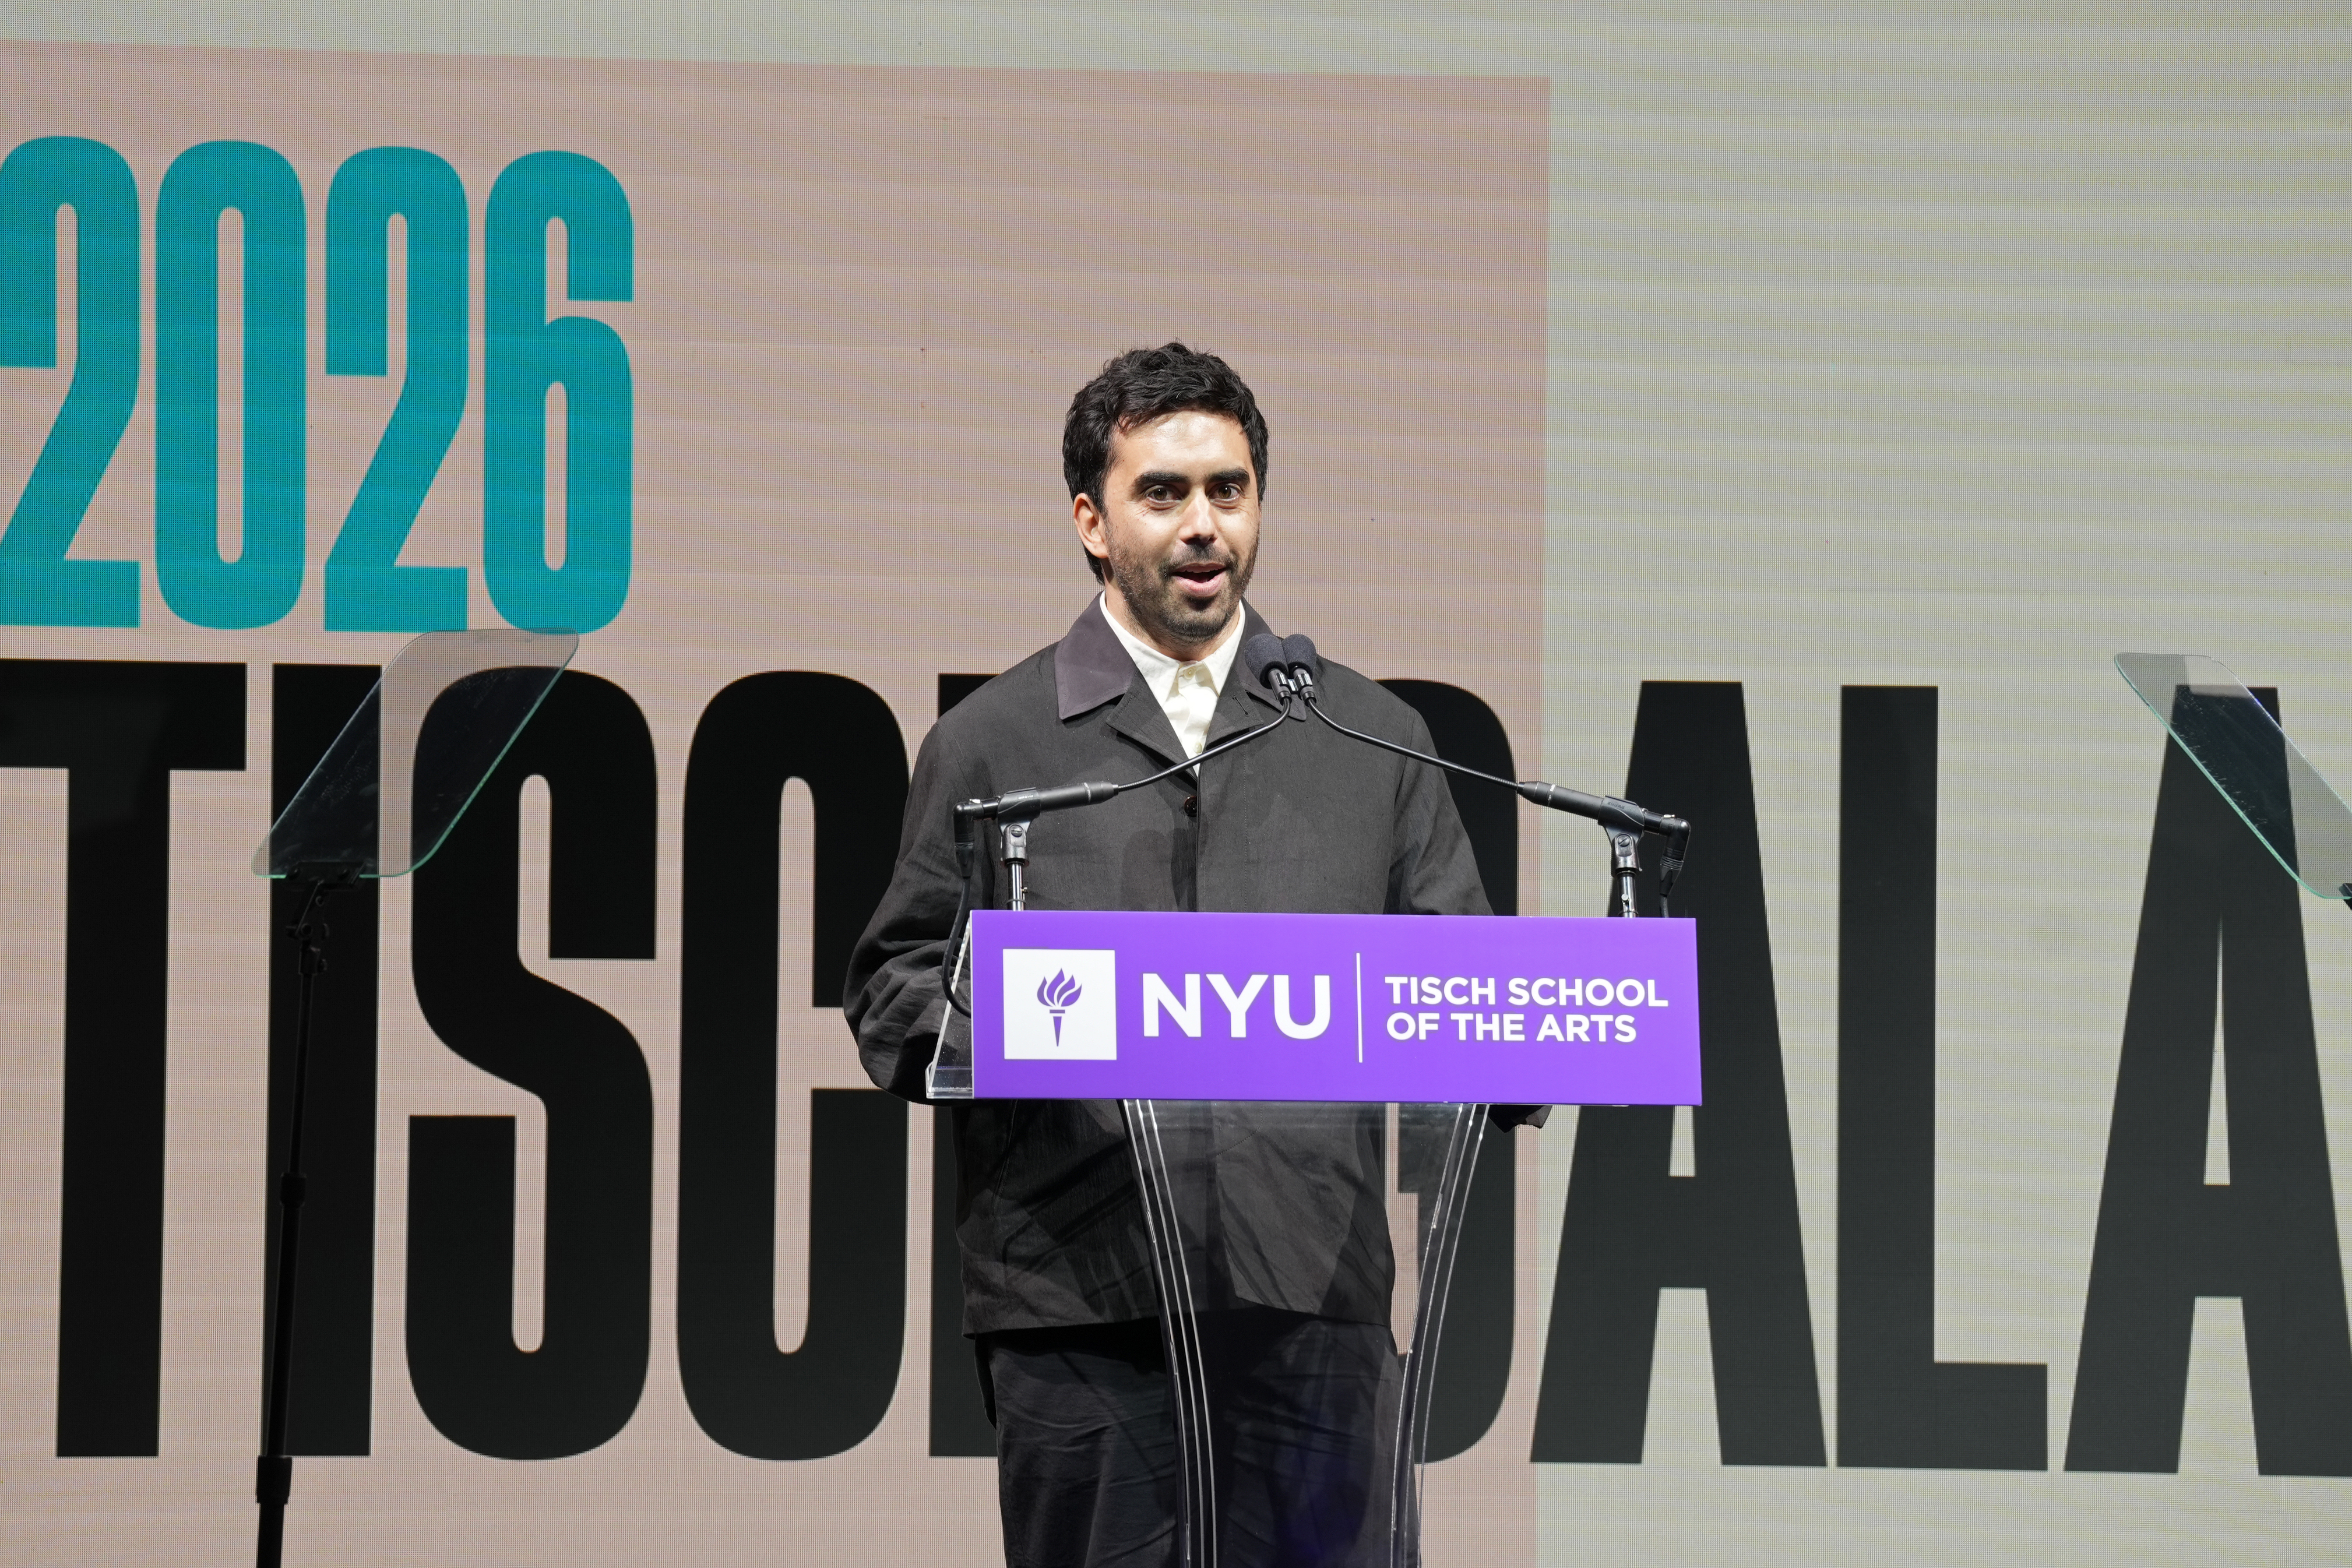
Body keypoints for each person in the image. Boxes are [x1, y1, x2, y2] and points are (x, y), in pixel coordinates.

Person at [846, 343, 1490, 1567]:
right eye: (1163, 493)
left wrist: (1516, 1045)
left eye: (1229, 490)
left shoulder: (1366, 735)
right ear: (1090, 521)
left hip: (1313, 1296)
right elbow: (891, 989)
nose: (1204, 525)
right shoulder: (992, 743)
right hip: (1086, 1309)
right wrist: (1043, 1020)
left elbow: (1462, 979)